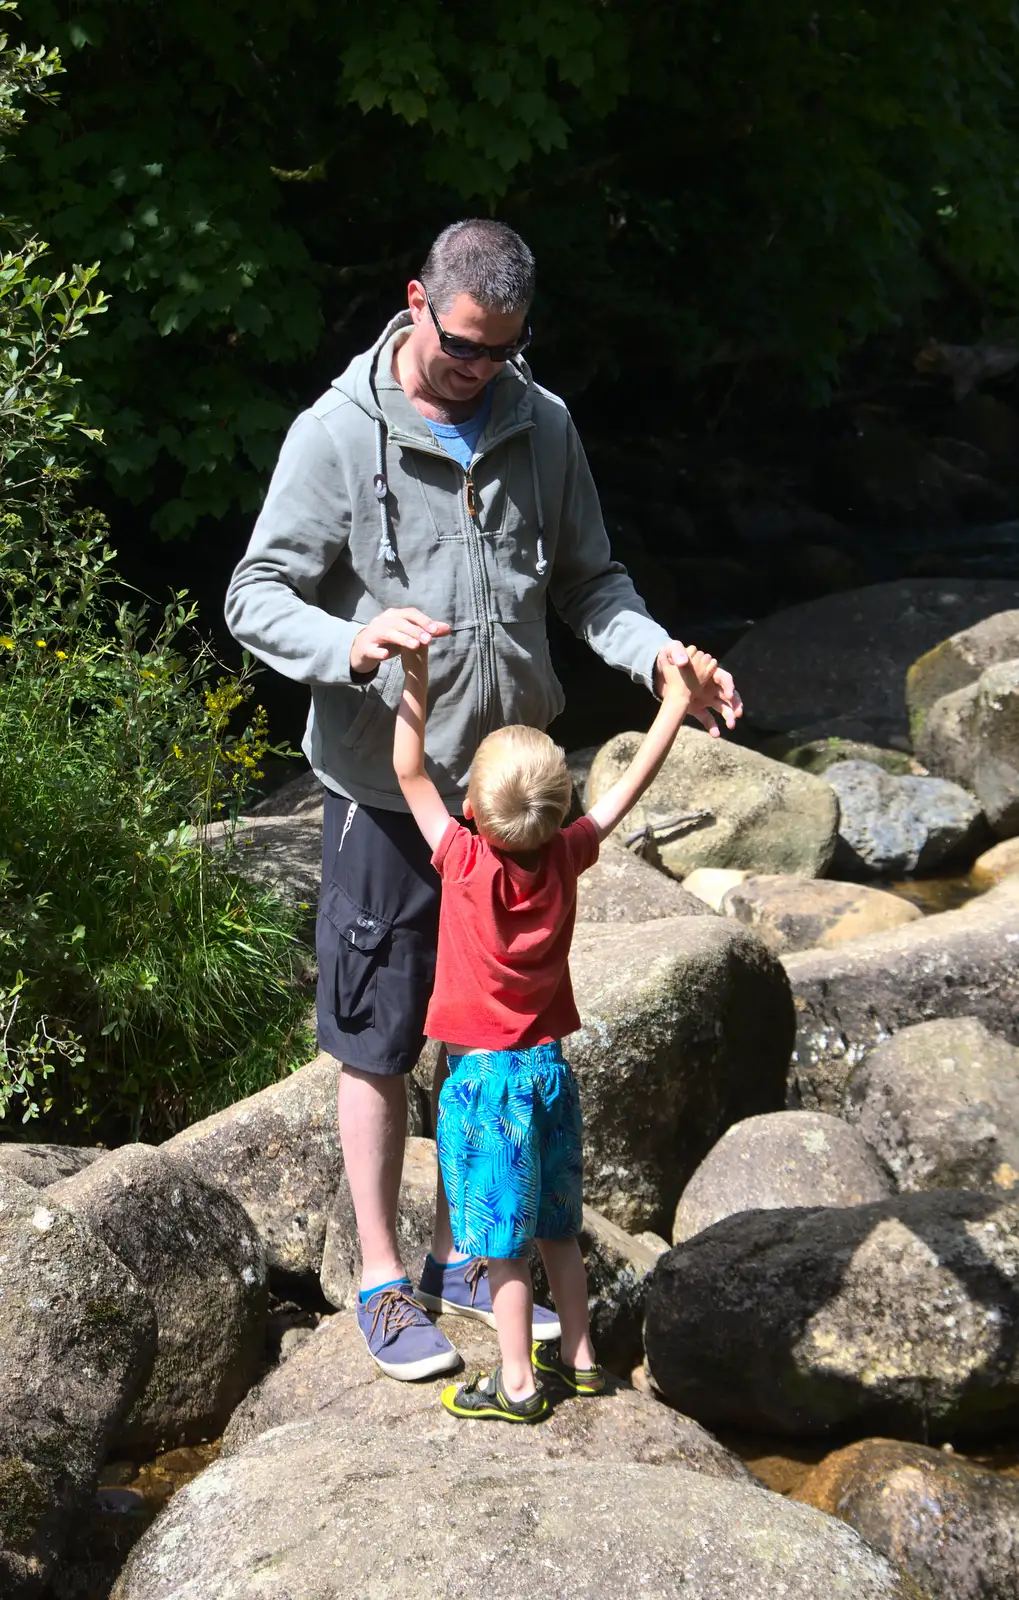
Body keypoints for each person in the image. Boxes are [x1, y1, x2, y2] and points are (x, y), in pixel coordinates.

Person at [224, 218, 741, 1382]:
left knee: (487, 1037)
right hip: (385, 791)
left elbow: (591, 580)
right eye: (464, 348)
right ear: (417, 304)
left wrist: (659, 657)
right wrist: (354, 642)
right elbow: (252, 594)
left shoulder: (538, 421)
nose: (481, 370)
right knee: (376, 1040)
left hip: (510, 802)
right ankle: (377, 1279)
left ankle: (468, 1252)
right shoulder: (334, 436)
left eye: (503, 351)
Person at [394, 636, 722, 1420]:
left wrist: (414, 678)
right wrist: (674, 702)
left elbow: (407, 771)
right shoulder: (571, 852)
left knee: (498, 1246)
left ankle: (513, 1384)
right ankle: (577, 1357)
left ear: (470, 811)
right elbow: (627, 789)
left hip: (483, 1086)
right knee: (557, 1231)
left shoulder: (465, 863)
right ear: (563, 809)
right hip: (548, 1074)